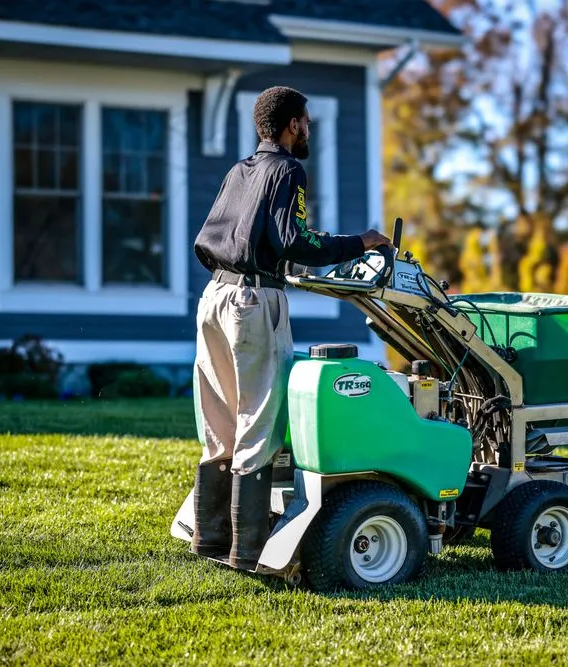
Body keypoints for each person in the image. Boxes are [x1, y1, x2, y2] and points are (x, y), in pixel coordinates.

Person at [190, 86, 392, 570]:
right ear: (291, 124)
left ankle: (210, 538)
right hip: (254, 300)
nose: (309, 129)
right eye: (306, 120)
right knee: (259, 421)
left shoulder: (239, 171)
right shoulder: (289, 170)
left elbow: (211, 238)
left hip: (213, 297)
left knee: (219, 423)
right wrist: (360, 242)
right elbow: (293, 239)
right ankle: (247, 550)